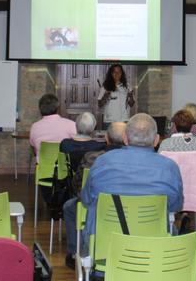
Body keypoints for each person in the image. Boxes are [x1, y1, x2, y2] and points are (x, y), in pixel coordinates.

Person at [79, 114, 183, 262]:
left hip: (104, 251)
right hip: (153, 250)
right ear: (156, 140)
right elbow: (176, 206)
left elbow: (86, 200)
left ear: (125, 138)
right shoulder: (169, 168)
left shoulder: (102, 162)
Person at [63, 121, 126, 268]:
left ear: (107, 138)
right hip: (132, 212)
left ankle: (74, 252)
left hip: (97, 208)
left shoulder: (92, 158)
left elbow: (78, 186)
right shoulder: (138, 162)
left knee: (69, 207)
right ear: (126, 139)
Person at [29, 93, 76, 161]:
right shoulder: (71, 124)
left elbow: (33, 146)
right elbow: (78, 143)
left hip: (43, 169)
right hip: (64, 169)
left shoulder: (34, 127)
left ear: (40, 109)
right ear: (57, 108)